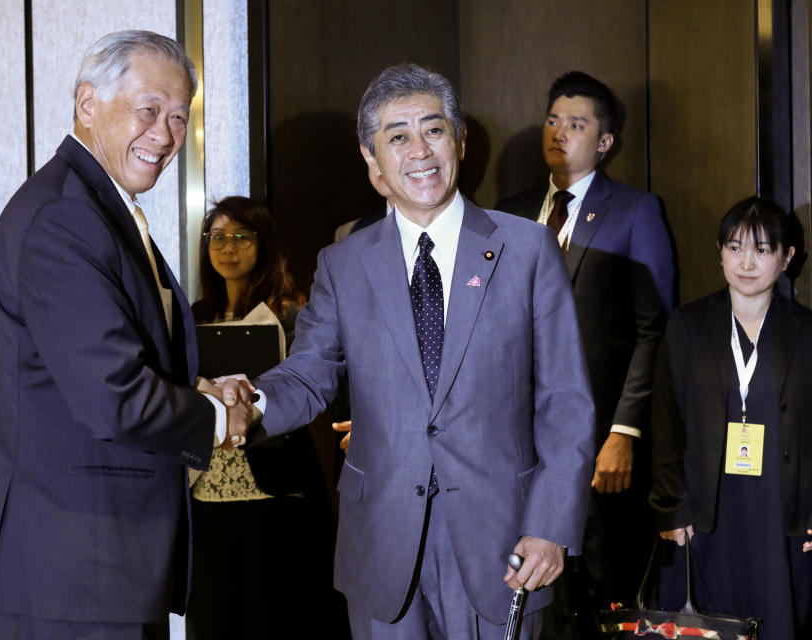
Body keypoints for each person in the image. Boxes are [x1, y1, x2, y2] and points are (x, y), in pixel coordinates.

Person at [222, 63, 595, 639]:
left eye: (433, 130)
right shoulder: (343, 262)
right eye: (397, 136)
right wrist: (250, 403)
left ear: (460, 141)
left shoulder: (527, 249)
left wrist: (551, 525)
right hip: (382, 542)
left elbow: (566, 400)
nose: (419, 150)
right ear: (373, 164)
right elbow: (309, 372)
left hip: (504, 541)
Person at [0, 31, 250, 640]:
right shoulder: (64, 215)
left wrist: (192, 385)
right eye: (149, 110)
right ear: (87, 103)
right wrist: (218, 418)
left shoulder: (93, 205)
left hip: (94, 564)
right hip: (72, 564)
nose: (167, 135)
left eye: (179, 118)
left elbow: (99, 362)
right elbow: (113, 393)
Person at [496, 71, 674, 633]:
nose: (559, 132)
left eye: (577, 124)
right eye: (553, 120)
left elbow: (655, 329)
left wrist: (624, 431)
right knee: (532, 588)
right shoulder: (508, 212)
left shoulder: (635, 210)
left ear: (604, 142)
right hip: (516, 436)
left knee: (600, 584)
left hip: (600, 439)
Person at [650, 196, 812, 639]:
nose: (746, 262)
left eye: (762, 249)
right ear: (720, 250)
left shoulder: (807, 331)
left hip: (782, 513)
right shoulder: (687, 326)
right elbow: (666, 424)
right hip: (703, 514)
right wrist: (670, 508)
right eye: (735, 246)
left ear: (786, 258)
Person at [187, 196, 343, 639]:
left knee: (274, 614)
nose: (227, 248)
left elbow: (312, 390)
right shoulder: (195, 316)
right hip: (208, 485)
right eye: (217, 237)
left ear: (265, 244)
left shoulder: (293, 312)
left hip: (276, 483)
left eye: (240, 237)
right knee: (216, 612)